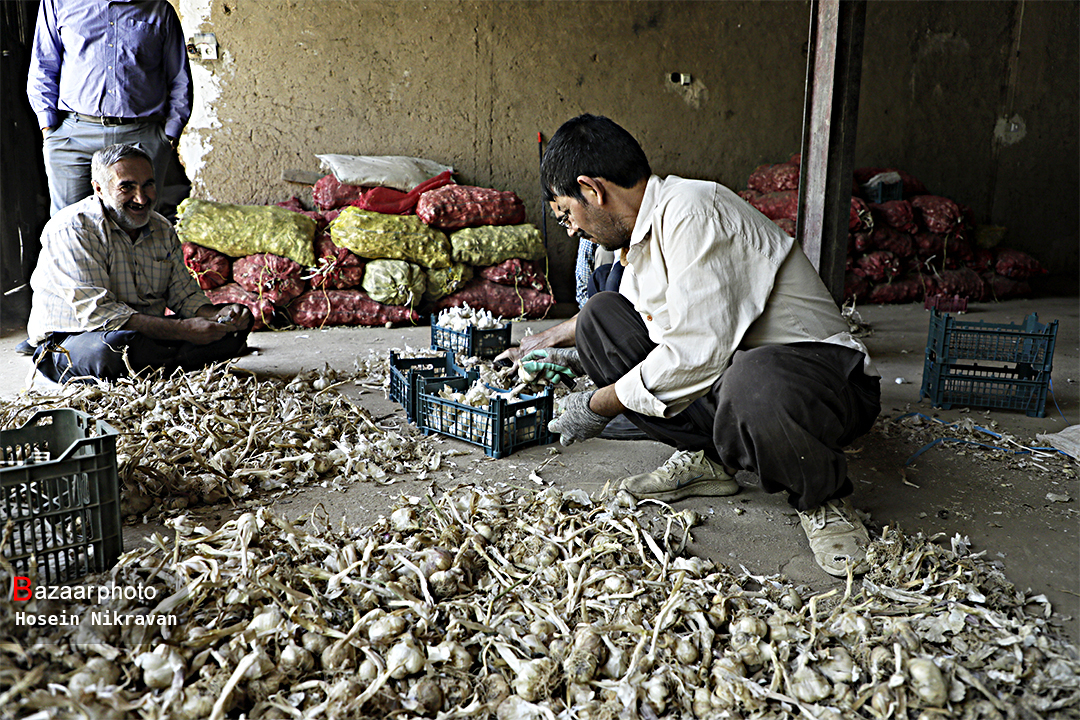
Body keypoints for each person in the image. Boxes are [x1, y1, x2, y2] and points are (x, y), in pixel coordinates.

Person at [501, 114, 881, 577]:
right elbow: (662, 335)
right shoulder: (640, 243)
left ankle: (822, 496)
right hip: (732, 378)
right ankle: (712, 460)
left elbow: (695, 353)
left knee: (753, 382)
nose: (570, 229)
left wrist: (598, 404)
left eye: (566, 213)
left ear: (593, 190)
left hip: (821, 381)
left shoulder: (694, 212)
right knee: (601, 319)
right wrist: (571, 353)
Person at [25, 144, 252, 384]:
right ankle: (166, 361)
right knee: (113, 350)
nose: (142, 198)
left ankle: (157, 362)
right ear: (99, 189)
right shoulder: (73, 229)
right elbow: (100, 313)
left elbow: (184, 295)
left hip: (142, 333)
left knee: (236, 325)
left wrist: (217, 315)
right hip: (76, 338)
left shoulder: (162, 228)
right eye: (127, 186)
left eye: (148, 185)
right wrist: (184, 330)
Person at [27, 0, 192, 217]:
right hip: (74, 136)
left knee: (138, 226)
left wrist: (169, 135)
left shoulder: (159, 9)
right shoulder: (58, 3)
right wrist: (49, 129)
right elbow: (43, 65)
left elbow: (180, 78)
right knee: (69, 228)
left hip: (140, 136)